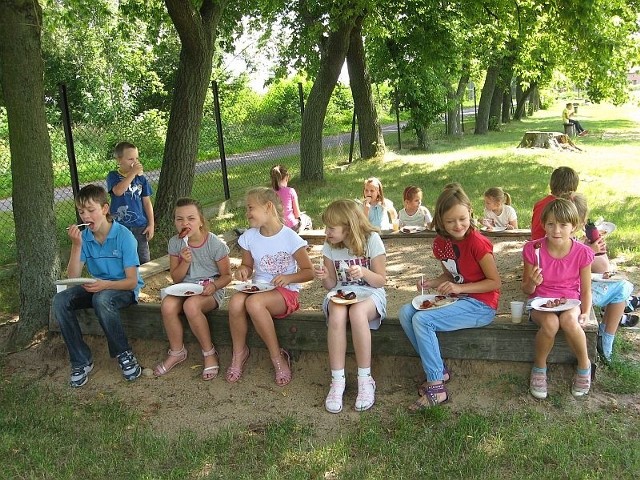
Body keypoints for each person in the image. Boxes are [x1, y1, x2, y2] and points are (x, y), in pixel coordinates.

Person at [399, 185, 501, 410]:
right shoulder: (441, 243)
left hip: (481, 305)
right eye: (450, 221)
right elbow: (450, 274)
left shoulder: (477, 243)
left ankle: (436, 386)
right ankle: (440, 371)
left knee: (423, 320)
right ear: (441, 221)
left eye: (462, 219)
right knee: (406, 312)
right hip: (459, 299)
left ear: (470, 213)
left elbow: (494, 283)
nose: (458, 226)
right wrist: (432, 283)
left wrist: (458, 288)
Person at [52, 184, 144, 387]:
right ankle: (80, 360)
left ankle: (124, 353)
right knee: (60, 300)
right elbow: (73, 276)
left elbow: (131, 282)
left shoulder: (124, 236)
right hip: (97, 287)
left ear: (105, 209)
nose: (85, 216)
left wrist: (105, 285)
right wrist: (76, 246)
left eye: (91, 210)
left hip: (122, 290)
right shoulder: (84, 238)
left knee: (101, 299)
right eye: (81, 211)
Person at [226, 187, 314, 386]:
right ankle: (239, 353)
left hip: (286, 293)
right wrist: (243, 271)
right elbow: (247, 265)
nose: (247, 214)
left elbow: (309, 271)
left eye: (250, 208)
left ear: (268, 207)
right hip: (259, 288)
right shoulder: (249, 236)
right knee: (235, 302)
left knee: (254, 304)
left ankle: (277, 357)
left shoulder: (290, 238)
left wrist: (289, 277)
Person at [314, 199, 387, 413]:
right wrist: (326, 277)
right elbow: (330, 285)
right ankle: (337, 381)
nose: (326, 232)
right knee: (336, 313)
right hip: (341, 294)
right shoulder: (329, 245)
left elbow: (381, 280)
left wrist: (363, 272)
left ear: (349, 226)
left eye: (331, 227)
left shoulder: (372, 240)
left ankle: (365, 380)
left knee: (357, 313)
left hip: (371, 293)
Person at [522, 198, 594, 399]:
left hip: (570, 300)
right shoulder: (533, 249)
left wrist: (586, 312)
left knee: (569, 321)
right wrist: (533, 282)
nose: (556, 230)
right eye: (551, 224)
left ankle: (583, 365)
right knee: (551, 323)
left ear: (574, 226)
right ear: (543, 224)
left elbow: (586, 290)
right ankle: (539, 367)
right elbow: (527, 289)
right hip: (540, 301)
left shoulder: (582, 253)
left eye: (563, 225)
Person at [154, 198, 232, 380]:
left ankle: (209, 352)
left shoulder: (215, 244)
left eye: (191, 218)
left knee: (191, 306)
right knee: (167, 305)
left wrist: (213, 286)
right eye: (179, 219)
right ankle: (176, 351)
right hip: (184, 287)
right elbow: (176, 278)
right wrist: (185, 261)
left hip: (210, 290)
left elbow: (227, 276)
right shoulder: (175, 243)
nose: (185, 223)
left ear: (201, 220)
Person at [562, 192, 635, 363]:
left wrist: (587, 248)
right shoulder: (566, 242)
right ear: (580, 221)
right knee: (622, 288)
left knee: (619, 286)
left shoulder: (564, 238)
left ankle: (605, 333)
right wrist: (590, 251)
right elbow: (572, 268)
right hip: (574, 294)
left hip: (575, 289)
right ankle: (606, 338)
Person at [106, 141, 155, 264]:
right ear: (119, 160)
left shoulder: (141, 179)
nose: (135, 162)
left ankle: (144, 281)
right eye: (130, 159)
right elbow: (117, 191)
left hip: (140, 225)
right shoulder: (113, 176)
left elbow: (147, 202)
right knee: (123, 257)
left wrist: (151, 224)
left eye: (136, 158)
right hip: (120, 226)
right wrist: (132, 174)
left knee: (143, 258)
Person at [530, 166, 579, 241]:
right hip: (548, 246)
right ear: (573, 188)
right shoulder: (563, 207)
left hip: (536, 243)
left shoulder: (540, 203)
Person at [270, 164, 312, 232]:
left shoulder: (268, 193)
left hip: (275, 228)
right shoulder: (290, 191)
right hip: (291, 227)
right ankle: (303, 239)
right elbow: (297, 214)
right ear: (286, 178)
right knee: (307, 219)